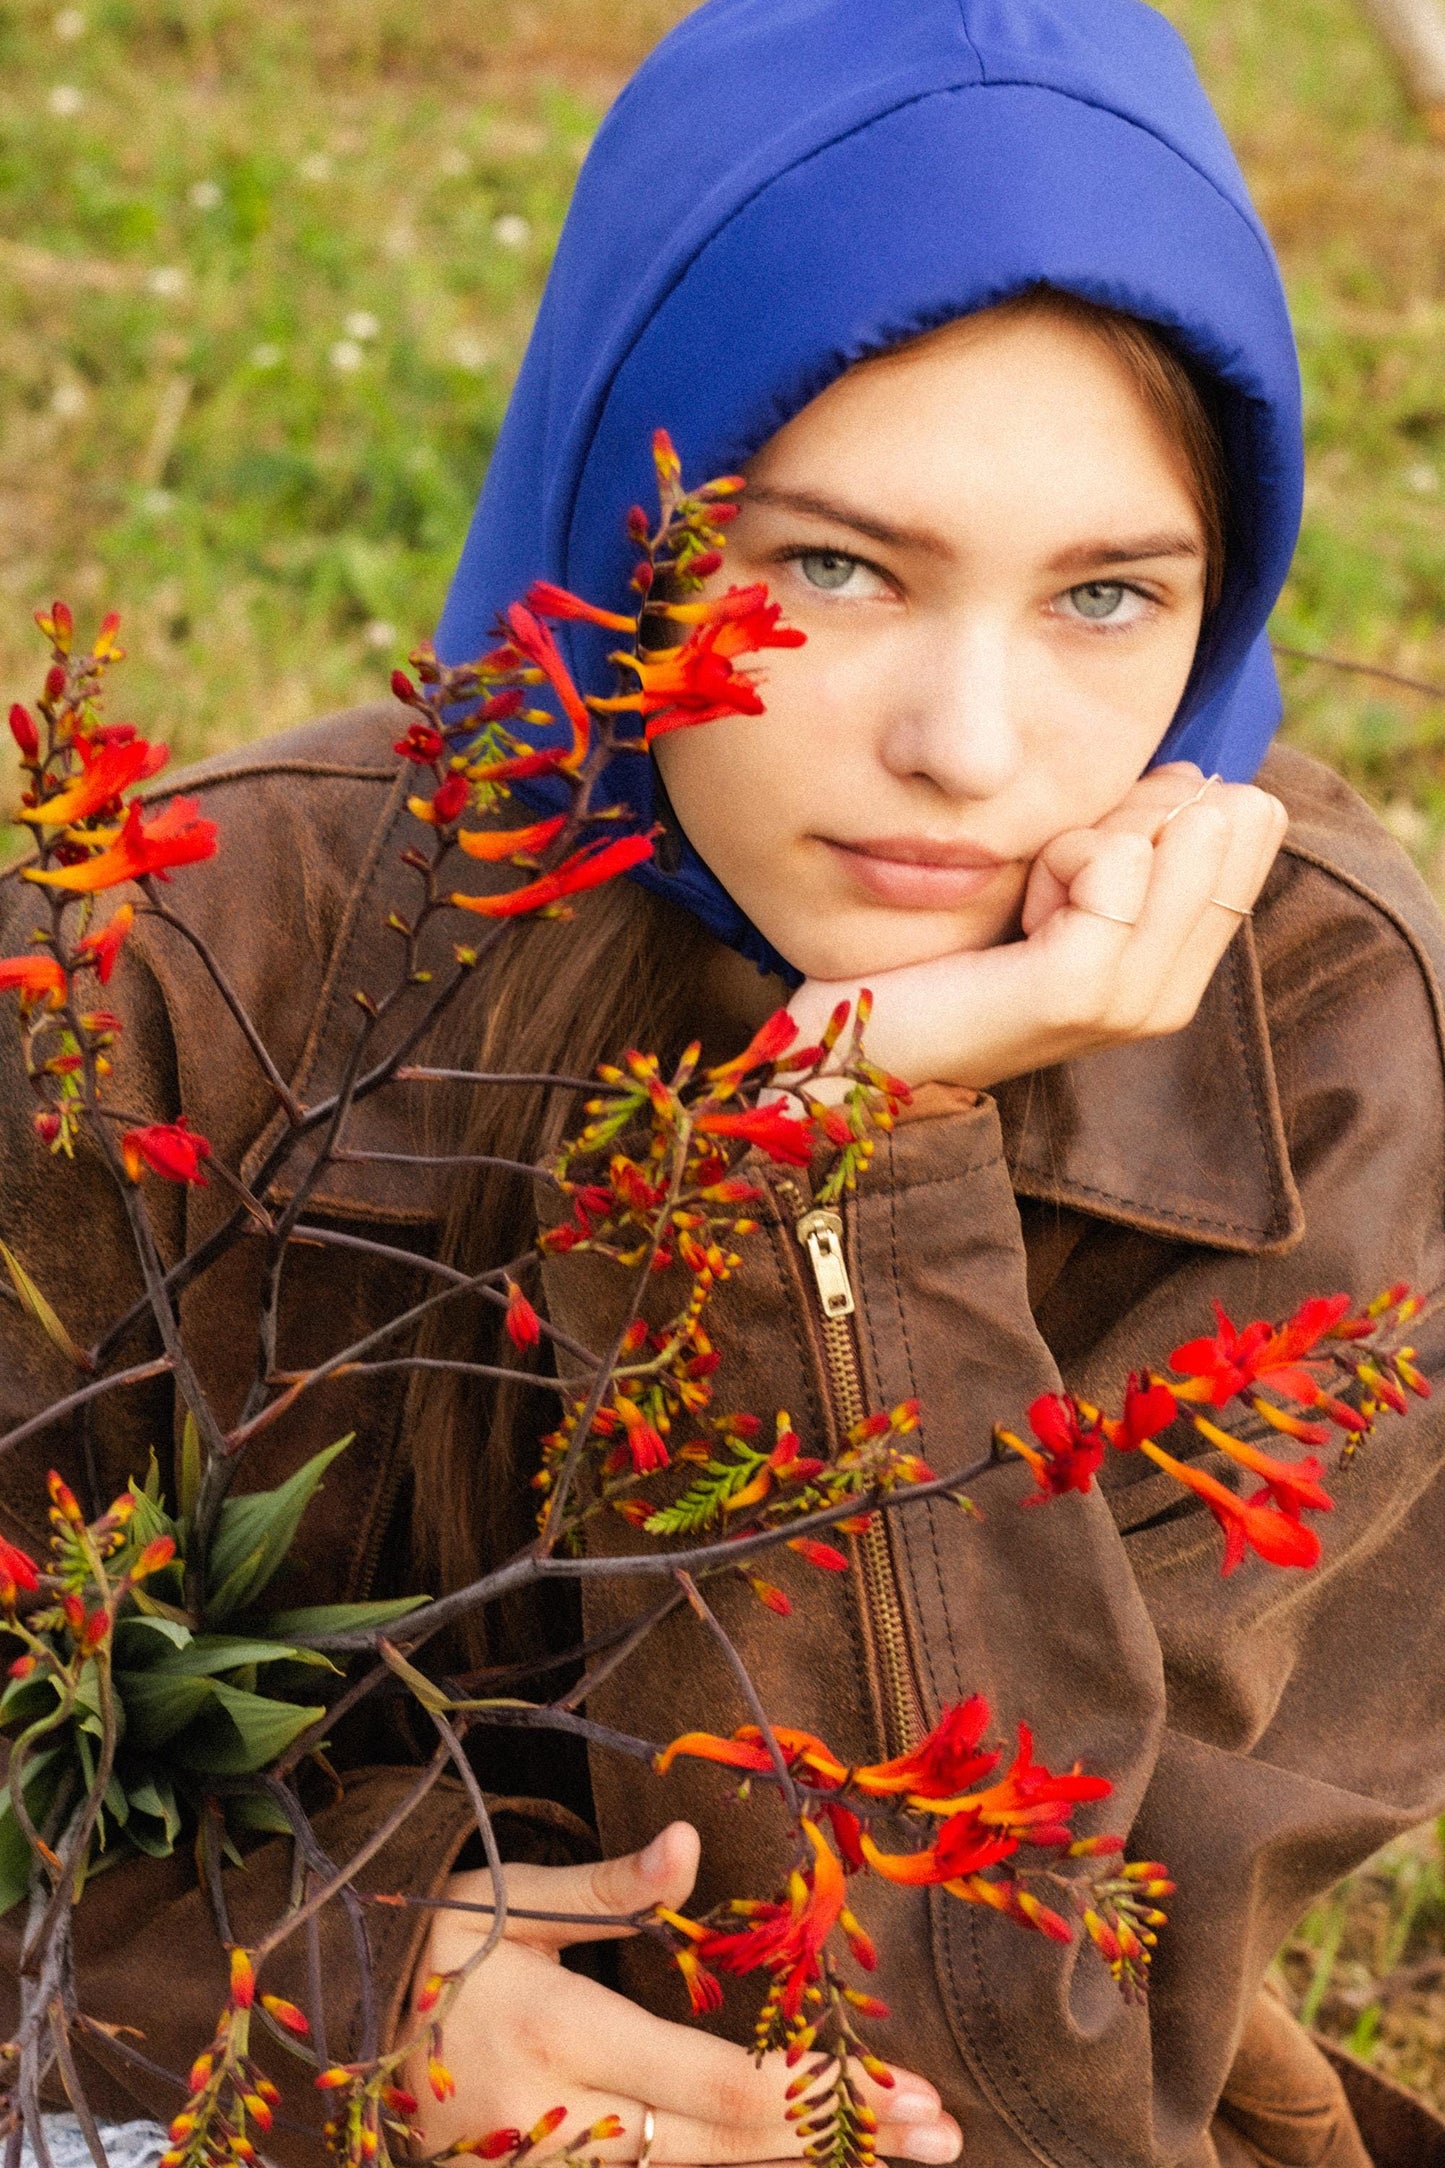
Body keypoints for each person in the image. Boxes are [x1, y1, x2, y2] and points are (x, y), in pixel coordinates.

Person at [3, 3, 1445, 2166]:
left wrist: (828, 1178)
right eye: (835, 567)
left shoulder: (1317, 1038)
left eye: (1107, 596)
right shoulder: (197, 964)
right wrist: (319, 1990)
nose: (968, 744)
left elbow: (1009, 2092)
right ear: (621, 512)